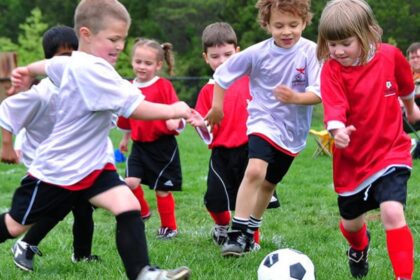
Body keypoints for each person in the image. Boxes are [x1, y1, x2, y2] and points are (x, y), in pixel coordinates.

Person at [3, 0, 191, 279]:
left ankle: (144, 273)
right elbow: (135, 108)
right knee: (15, 225)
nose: (119, 46)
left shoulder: (76, 61)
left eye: (123, 39)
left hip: (91, 166)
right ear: (86, 34)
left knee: (127, 205)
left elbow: (53, 64)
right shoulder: (93, 70)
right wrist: (175, 109)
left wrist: (29, 69)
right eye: (113, 39)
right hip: (59, 170)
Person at [206, 0, 321, 257]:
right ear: (267, 25)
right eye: (279, 25)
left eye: (293, 25)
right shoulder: (257, 53)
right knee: (256, 169)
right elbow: (223, 74)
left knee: (269, 184)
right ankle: (236, 233)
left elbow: (318, 92)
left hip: (293, 132)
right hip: (262, 120)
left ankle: (250, 231)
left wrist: (296, 98)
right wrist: (217, 107)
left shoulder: (311, 52)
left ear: (304, 22)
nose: (286, 31)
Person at [317, 0, 420, 279]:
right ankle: (359, 247)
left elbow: (406, 85)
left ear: (368, 33)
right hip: (352, 162)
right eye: (331, 44)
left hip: (391, 152)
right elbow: (334, 104)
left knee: (392, 212)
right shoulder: (332, 69)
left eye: (345, 43)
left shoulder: (390, 55)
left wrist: (410, 108)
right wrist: (337, 131)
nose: (337, 51)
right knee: (351, 225)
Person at [1, 25, 101, 272]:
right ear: (48, 61)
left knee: (82, 205)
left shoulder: (81, 87)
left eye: (73, 56)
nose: (69, 63)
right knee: (63, 203)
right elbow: (7, 110)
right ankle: (26, 244)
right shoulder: (42, 93)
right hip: (43, 161)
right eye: (62, 57)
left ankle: (81, 255)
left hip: (69, 160)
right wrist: (7, 147)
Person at [187, 22, 280, 248]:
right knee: (215, 201)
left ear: (238, 53)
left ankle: (250, 240)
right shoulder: (208, 90)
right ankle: (221, 226)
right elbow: (207, 134)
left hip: (252, 152)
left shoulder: (252, 81)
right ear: (205, 58)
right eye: (215, 56)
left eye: (228, 55)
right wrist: (201, 123)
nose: (222, 62)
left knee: (251, 200)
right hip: (221, 155)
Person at [117, 38, 185, 239]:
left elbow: (178, 110)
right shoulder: (128, 87)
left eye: (147, 63)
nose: (142, 66)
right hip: (139, 145)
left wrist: (176, 121)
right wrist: (125, 138)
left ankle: (169, 227)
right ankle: (143, 212)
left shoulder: (163, 86)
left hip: (162, 147)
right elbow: (128, 117)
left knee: (162, 190)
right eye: (138, 61)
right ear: (132, 62)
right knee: (130, 182)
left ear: (158, 65)